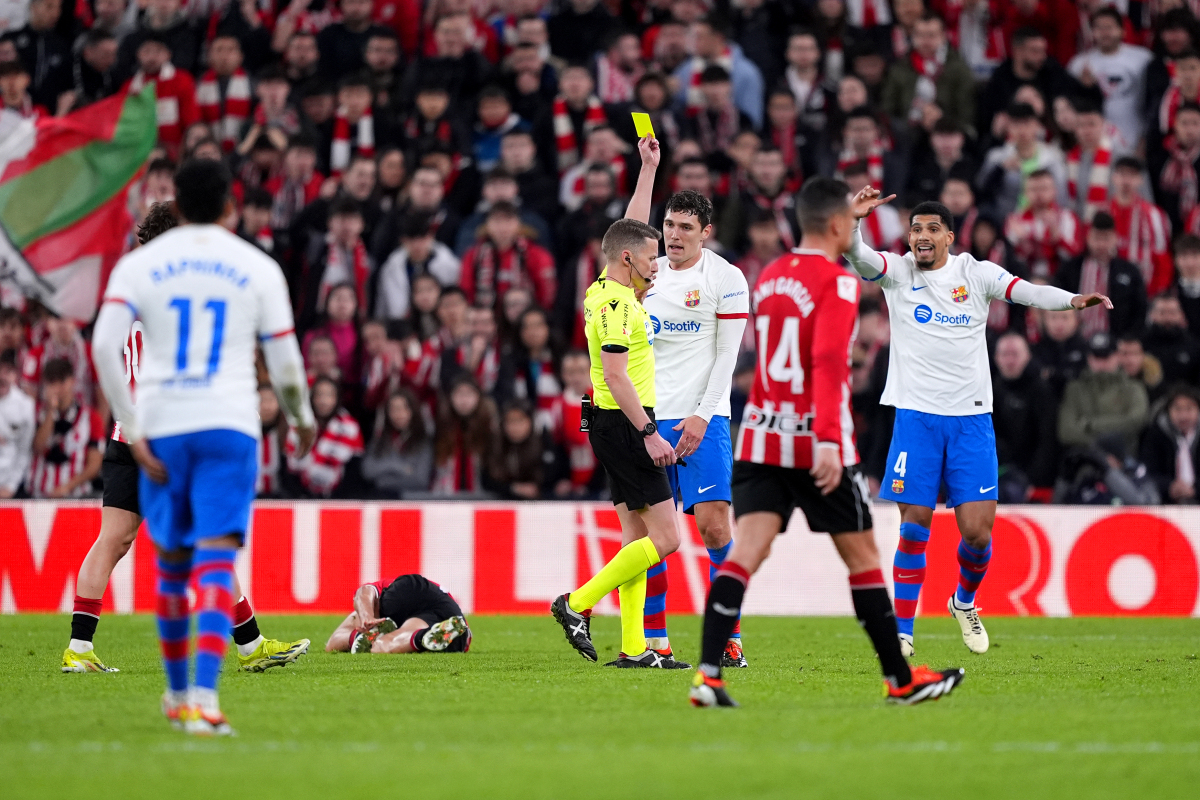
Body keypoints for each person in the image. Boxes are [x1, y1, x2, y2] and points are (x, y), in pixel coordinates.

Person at [690, 177, 965, 710]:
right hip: (815, 442)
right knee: (863, 557)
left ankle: (707, 676)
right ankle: (900, 680)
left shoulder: (768, 277)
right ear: (839, 226)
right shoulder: (838, 284)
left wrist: (848, 214)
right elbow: (826, 366)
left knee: (743, 555)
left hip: (760, 438)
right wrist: (826, 443)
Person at [91, 160, 317, 735]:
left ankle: (175, 695)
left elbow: (102, 348)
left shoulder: (138, 267)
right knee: (215, 558)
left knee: (169, 566)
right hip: (228, 428)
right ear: (228, 208)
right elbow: (287, 362)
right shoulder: (256, 267)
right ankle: (205, 700)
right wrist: (301, 418)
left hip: (163, 428)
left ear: (179, 207)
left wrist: (131, 427)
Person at [845, 186, 1112, 658]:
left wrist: (1073, 300)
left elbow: (1027, 292)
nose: (921, 237)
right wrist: (854, 220)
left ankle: (963, 600)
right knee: (914, 526)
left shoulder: (976, 273)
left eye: (931, 229)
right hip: (916, 419)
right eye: (915, 229)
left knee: (977, 534)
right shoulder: (898, 272)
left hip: (970, 421)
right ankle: (903, 631)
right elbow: (859, 256)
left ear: (949, 236)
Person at [624, 135, 750, 667]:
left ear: (706, 233)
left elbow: (728, 357)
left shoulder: (726, 278)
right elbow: (626, 235)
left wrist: (702, 415)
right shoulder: (642, 274)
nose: (673, 236)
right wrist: (648, 169)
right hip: (646, 419)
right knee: (657, 534)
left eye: (684, 229)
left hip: (704, 417)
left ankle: (729, 635)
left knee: (715, 525)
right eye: (668, 226)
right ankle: (656, 641)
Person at [549, 217, 686, 669]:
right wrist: (649, 434)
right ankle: (577, 603)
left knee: (637, 538)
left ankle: (633, 648)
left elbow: (630, 227)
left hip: (611, 424)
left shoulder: (601, 291)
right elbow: (613, 374)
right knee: (667, 539)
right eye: (651, 257)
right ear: (627, 258)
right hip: (629, 424)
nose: (657, 265)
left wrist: (648, 168)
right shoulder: (619, 306)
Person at [325, 574, 471, 654]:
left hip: (407, 591)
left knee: (379, 644)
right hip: (453, 617)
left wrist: (366, 616)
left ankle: (363, 638)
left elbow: (364, 592)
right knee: (396, 638)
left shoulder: (379, 594)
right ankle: (423, 637)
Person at [1057, 332, 1149, 457]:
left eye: (1106, 357)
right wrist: (1100, 448)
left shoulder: (1134, 388)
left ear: (1117, 357)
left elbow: (1136, 421)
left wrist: (1089, 424)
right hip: (1085, 461)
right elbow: (1067, 431)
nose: (1101, 363)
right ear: (1089, 358)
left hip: (1124, 460)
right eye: (1096, 357)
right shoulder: (1074, 389)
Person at [1140, 385, 1200, 505]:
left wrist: (1195, 489)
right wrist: (1170, 487)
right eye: (1177, 409)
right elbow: (1147, 472)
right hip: (1165, 504)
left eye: (1189, 409)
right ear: (1169, 411)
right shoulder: (1156, 434)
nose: (1183, 416)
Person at [0, 348, 34, 499]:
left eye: (8, 371)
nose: (2, 376)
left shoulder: (25, 405)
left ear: (15, 374)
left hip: (12, 486)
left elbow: (24, 450)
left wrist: (11, 486)